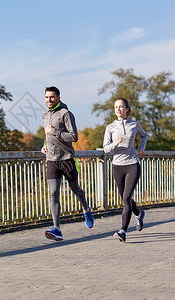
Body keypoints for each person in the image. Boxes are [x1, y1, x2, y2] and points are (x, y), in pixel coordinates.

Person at [41, 86, 94, 241]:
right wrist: (45, 145)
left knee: (75, 189)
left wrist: (54, 132)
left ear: (58, 98)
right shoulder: (45, 115)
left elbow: (74, 137)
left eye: (51, 97)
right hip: (51, 160)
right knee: (53, 193)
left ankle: (86, 209)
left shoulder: (66, 114)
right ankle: (57, 228)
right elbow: (48, 135)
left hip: (67, 159)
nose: (48, 100)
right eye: (46, 97)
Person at [103, 97, 148, 242]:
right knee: (124, 198)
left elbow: (144, 135)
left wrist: (141, 148)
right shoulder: (110, 127)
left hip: (132, 165)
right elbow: (105, 149)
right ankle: (139, 214)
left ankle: (123, 231)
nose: (118, 109)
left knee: (127, 198)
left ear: (127, 109)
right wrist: (114, 144)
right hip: (117, 167)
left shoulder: (134, 124)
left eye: (121, 106)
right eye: (116, 107)